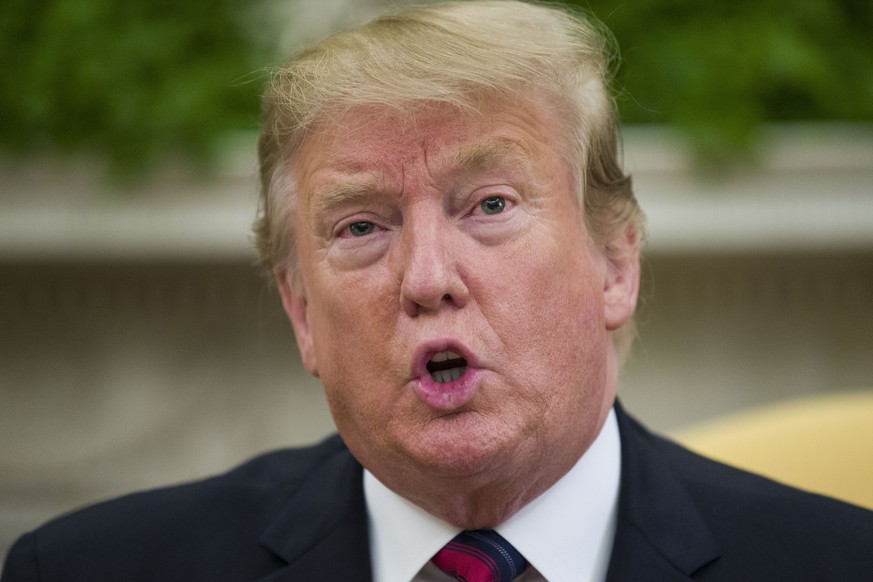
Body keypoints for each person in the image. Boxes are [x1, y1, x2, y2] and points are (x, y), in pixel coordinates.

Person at [3, 1, 872, 580]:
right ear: (301, 312)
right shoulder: (87, 569)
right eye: (360, 228)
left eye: (489, 205)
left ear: (615, 264)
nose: (425, 279)